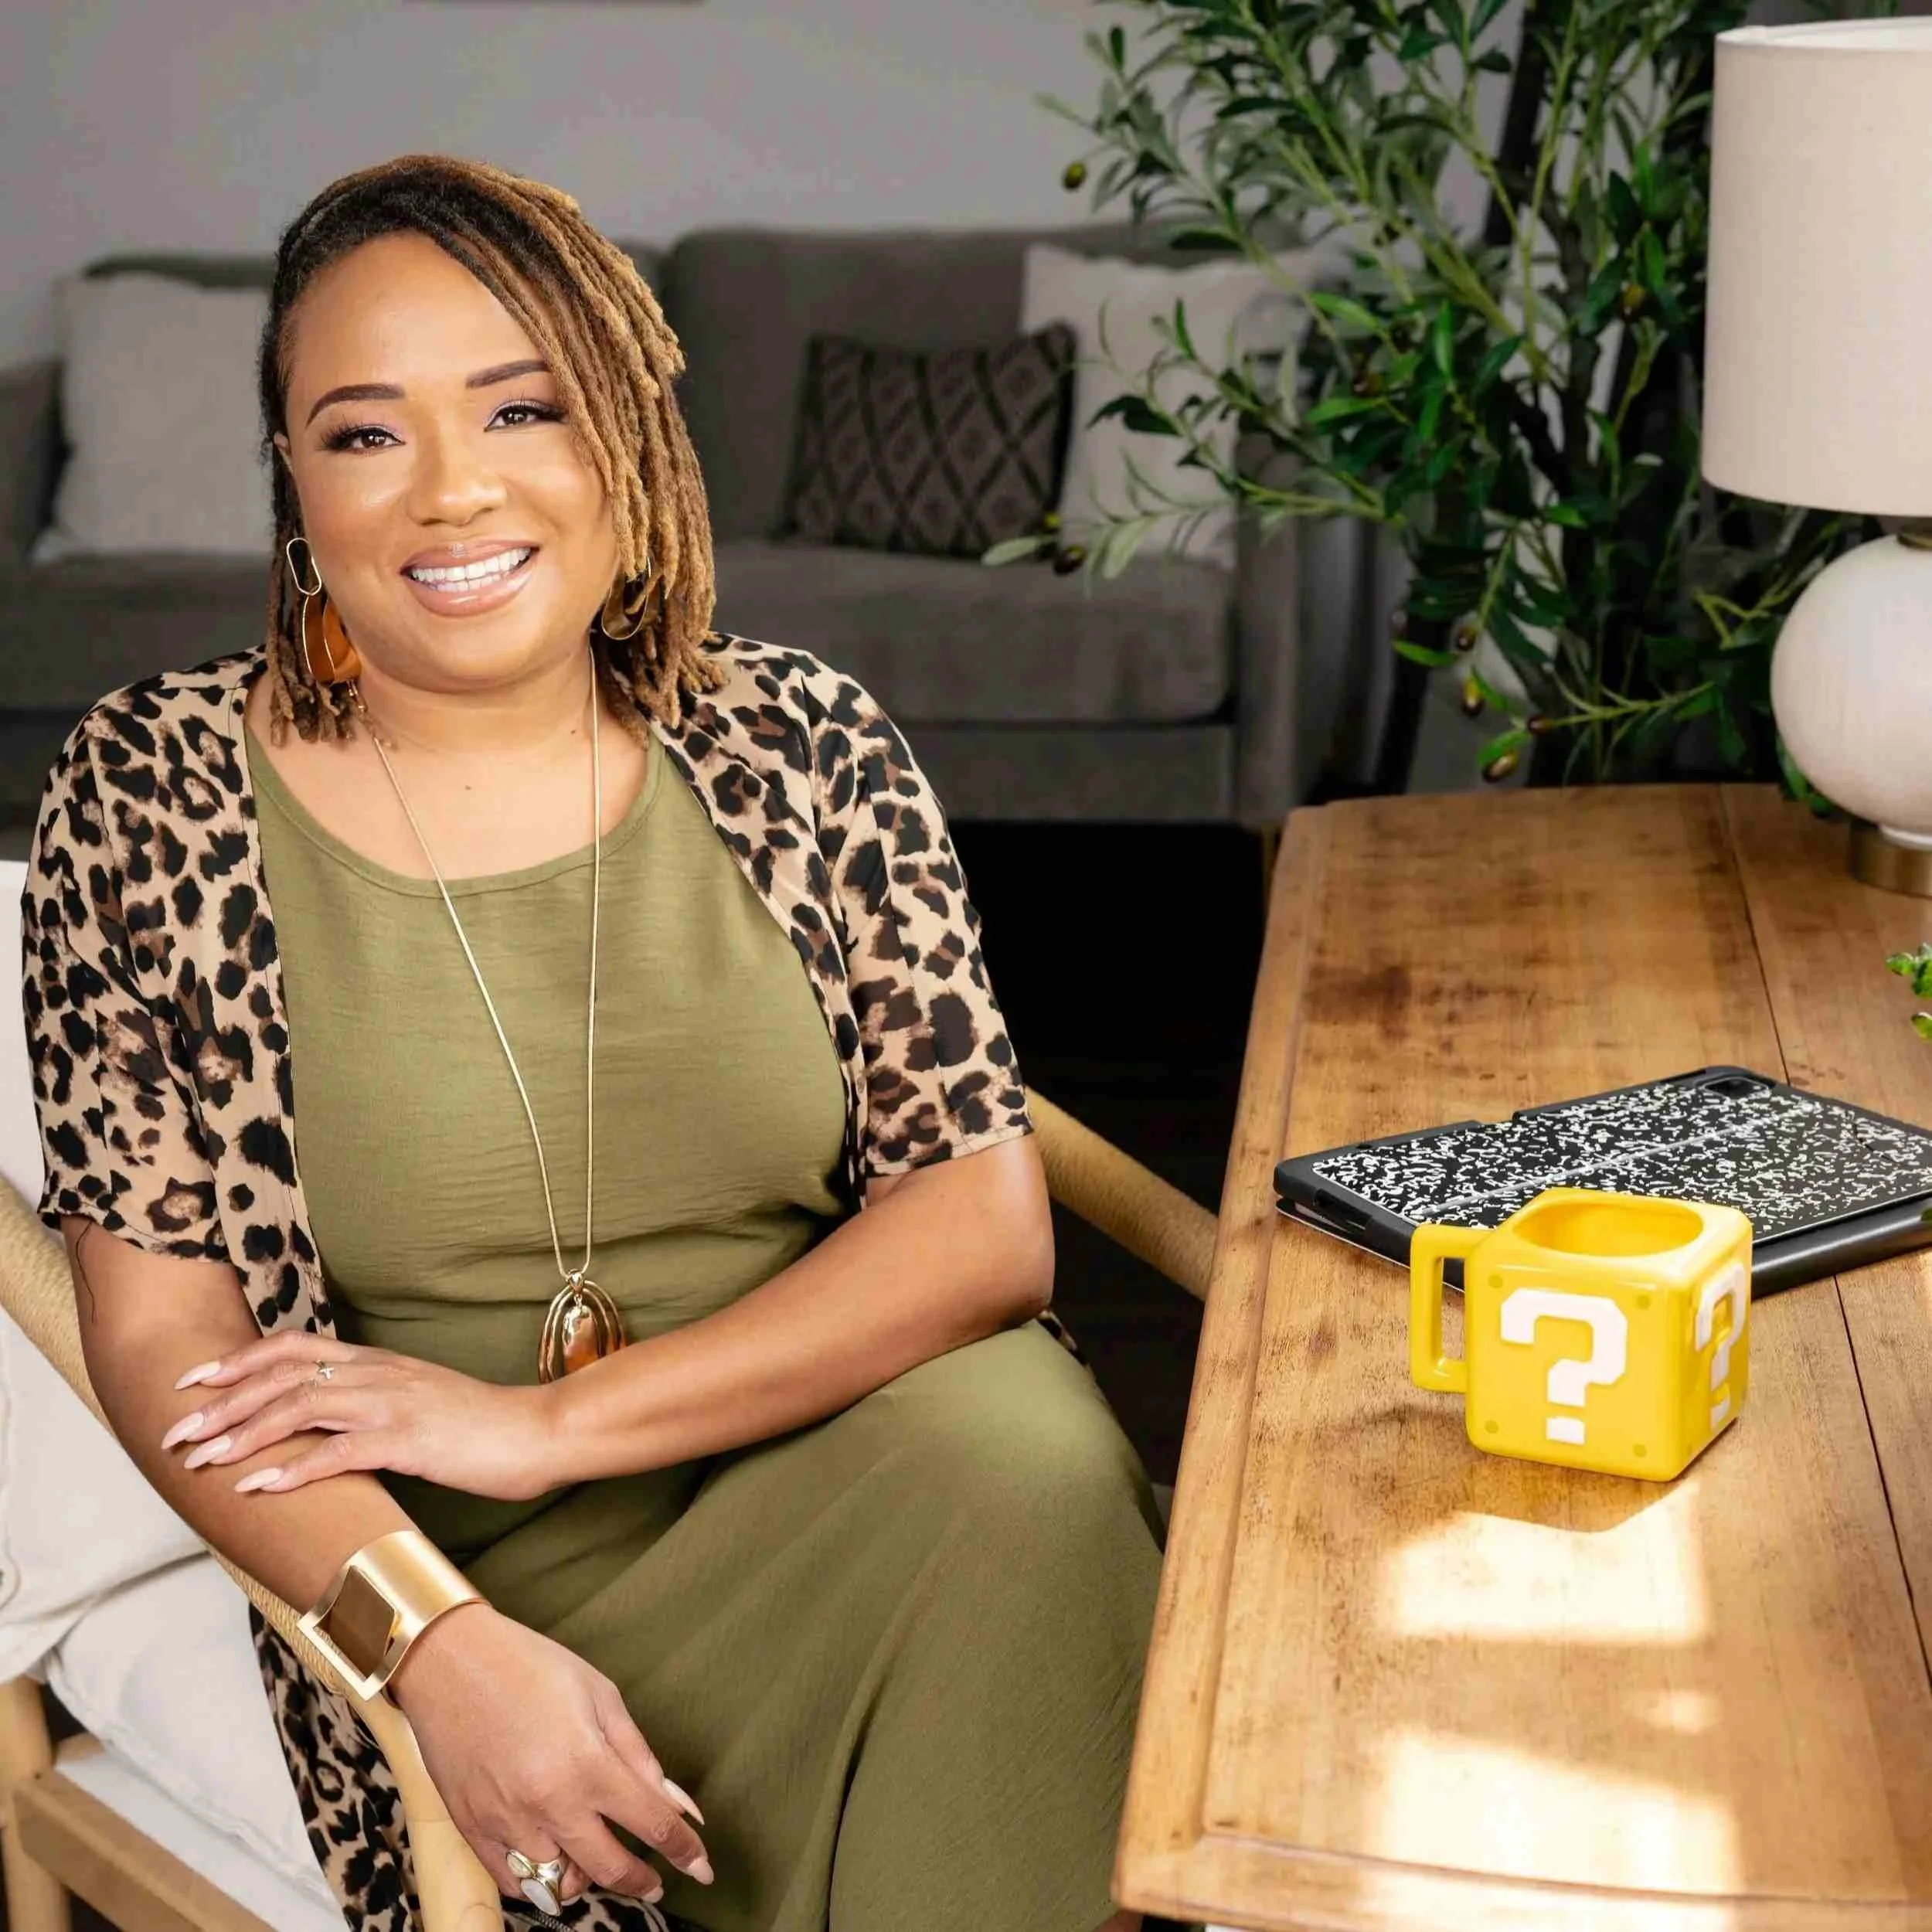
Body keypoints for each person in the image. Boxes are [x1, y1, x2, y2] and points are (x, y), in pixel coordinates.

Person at [20, 153, 1165, 1932]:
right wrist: (436, 1648)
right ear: (293, 488)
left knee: (1027, 1464)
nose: (451, 490)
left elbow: (979, 1219)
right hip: (442, 1558)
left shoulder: (804, 743)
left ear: (622, 435)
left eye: (520, 405)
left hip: (846, 1448)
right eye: (364, 432)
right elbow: (168, 1337)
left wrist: (541, 1425)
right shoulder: (153, 793)